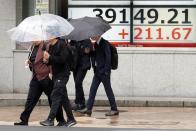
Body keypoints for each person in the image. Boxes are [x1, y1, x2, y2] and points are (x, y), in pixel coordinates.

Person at [14, 41, 66, 126]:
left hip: (45, 77)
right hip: (36, 77)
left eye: (35, 38)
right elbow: (33, 62)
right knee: (30, 99)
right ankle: (24, 120)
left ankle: (61, 120)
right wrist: (30, 63)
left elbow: (50, 61)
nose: (33, 41)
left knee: (52, 99)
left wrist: (51, 73)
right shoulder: (33, 48)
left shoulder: (46, 46)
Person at [40, 38, 76, 127]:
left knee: (55, 95)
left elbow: (62, 59)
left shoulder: (62, 44)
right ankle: (71, 119)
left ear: (55, 36)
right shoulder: (51, 46)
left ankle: (50, 119)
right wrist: (47, 61)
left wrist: (50, 57)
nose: (47, 37)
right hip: (56, 75)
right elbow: (52, 61)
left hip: (63, 74)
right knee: (64, 98)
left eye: (49, 34)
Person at [79, 36, 119, 117]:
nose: (91, 36)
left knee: (108, 91)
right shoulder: (96, 44)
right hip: (97, 72)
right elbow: (96, 55)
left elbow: (108, 58)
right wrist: (89, 52)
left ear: (98, 34)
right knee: (92, 90)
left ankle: (114, 109)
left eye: (93, 35)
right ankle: (89, 109)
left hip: (104, 72)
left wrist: (106, 71)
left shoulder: (105, 43)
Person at [70, 39, 92, 111]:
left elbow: (87, 51)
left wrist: (79, 49)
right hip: (75, 64)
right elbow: (70, 49)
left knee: (78, 82)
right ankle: (79, 102)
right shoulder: (73, 40)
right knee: (77, 84)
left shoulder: (87, 40)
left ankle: (80, 103)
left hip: (83, 65)